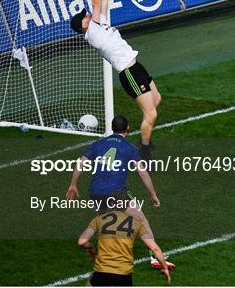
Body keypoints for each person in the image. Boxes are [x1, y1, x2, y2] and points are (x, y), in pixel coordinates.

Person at [70, 0, 159, 160]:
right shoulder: (92, 33)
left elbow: (105, 0)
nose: (88, 15)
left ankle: (145, 137)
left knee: (157, 100)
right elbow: (97, 1)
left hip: (137, 66)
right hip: (128, 73)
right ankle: (144, 152)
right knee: (151, 114)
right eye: (84, 17)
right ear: (83, 26)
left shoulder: (99, 24)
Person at [66, 115, 173, 269]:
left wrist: (73, 185)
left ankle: (95, 248)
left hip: (95, 191)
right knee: (141, 220)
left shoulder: (98, 144)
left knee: (103, 222)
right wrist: (153, 194)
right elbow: (142, 173)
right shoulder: (128, 147)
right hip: (116, 192)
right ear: (128, 128)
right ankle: (154, 256)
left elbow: (80, 163)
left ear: (112, 127)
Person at [78, 208, 171, 286]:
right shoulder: (136, 223)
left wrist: (91, 248)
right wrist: (164, 267)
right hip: (124, 275)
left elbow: (82, 241)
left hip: (101, 272)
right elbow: (154, 248)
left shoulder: (99, 219)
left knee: (90, 282)